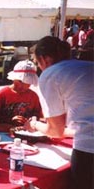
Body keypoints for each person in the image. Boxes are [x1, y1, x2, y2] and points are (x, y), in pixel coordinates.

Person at [24, 36, 94, 189]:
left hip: (89, 150)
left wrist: (34, 124)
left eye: (37, 63)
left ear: (44, 59)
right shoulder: (87, 66)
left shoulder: (51, 74)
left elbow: (55, 131)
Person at [0, 60, 42, 132]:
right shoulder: (2, 94)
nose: (23, 86)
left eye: (28, 83)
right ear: (13, 78)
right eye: (20, 81)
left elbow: (38, 116)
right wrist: (10, 120)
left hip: (26, 132)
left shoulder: (33, 96)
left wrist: (28, 120)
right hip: (5, 131)